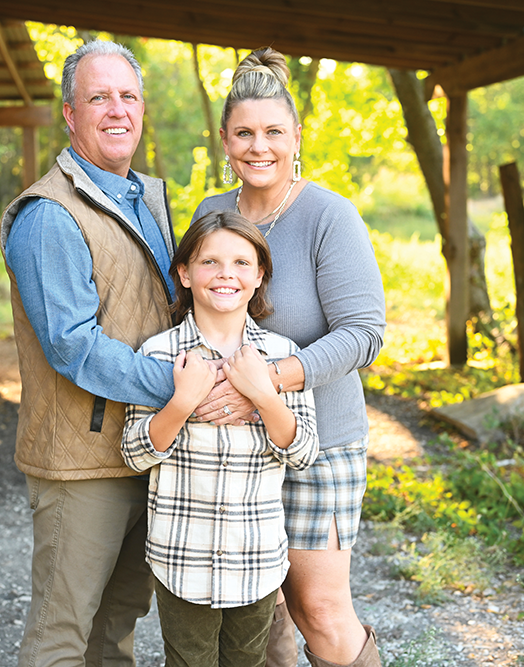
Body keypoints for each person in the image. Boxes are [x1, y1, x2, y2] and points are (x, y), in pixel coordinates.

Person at [191, 48, 387, 667]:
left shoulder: (330, 216)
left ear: (296, 136)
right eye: (244, 133)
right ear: (224, 139)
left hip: (319, 439)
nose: (259, 147)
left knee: (318, 611)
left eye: (273, 132)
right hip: (230, 447)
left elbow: (363, 333)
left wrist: (265, 383)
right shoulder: (209, 214)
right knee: (257, 610)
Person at [0, 40, 179, 667]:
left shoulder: (144, 200)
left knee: (116, 629)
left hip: (142, 450)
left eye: (128, 95)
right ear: (71, 115)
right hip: (80, 462)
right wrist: (179, 389)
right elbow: (72, 345)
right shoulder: (50, 215)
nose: (117, 109)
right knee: (61, 635)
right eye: (98, 96)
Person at [121, 211, 319, 667]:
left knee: (247, 661)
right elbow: (133, 453)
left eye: (241, 263)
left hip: (257, 558)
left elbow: (304, 451)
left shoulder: (283, 356)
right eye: (210, 262)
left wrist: (265, 397)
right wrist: (180, 403)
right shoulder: (157, 354)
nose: (226, 274)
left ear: (259, 275)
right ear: (185, 274)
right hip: (181, 557)